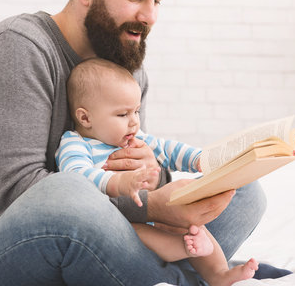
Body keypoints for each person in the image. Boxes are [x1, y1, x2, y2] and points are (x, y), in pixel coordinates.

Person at [0, 0, 280, 285]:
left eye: (158, 0)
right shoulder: (18, 49)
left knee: (245, 191)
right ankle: (186, 279)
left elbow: (134, 167)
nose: (149, 16)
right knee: (68, 190)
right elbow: (19, 198)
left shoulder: (127, 67)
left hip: (105, 234)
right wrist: (149, 203)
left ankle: (156, 274)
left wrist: (154, 173)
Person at [56, 57, 259, 286]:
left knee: (192, 223)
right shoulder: (76, 143)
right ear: (85, 117)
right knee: (142, 232)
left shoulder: (135, 138)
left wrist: (200, 159)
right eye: (123, 115)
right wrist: (118, 183)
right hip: (119, 224)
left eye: (136, 111)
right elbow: (74, 177)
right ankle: (182, 249)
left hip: (156, 213)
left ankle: (219, 274)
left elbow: (168, 150)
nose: (134, 122)